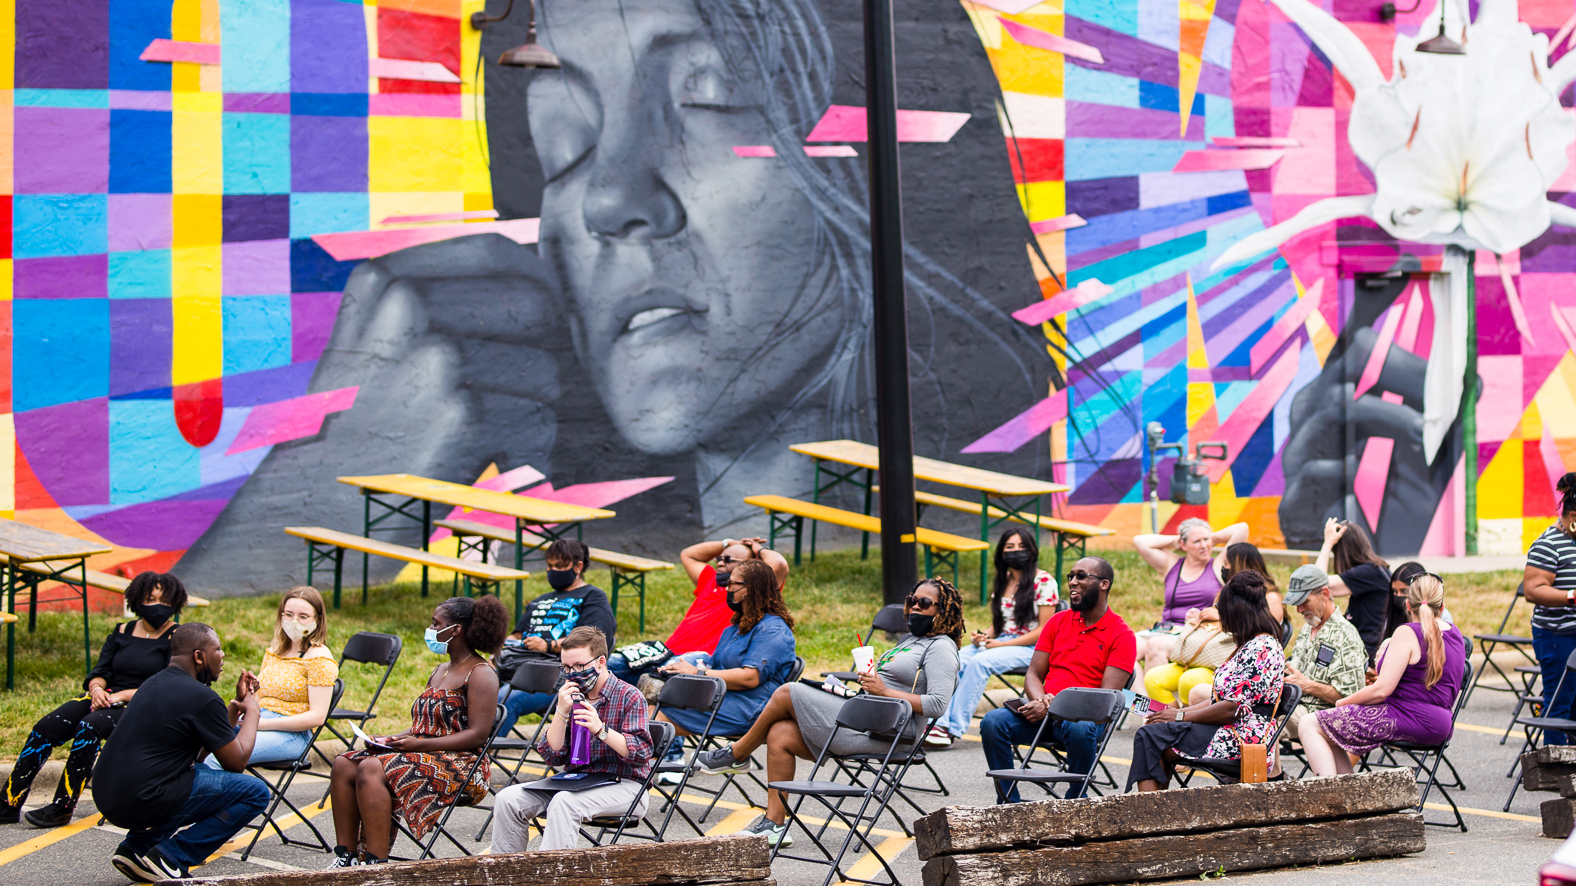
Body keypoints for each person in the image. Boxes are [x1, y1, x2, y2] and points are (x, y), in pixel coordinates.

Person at [691, 578, 963, 846]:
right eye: (912, 600)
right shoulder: (911, 640)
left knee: (788, 692)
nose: (915, 607)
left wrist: (884, 691)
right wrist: (869, 684)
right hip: (866, 719)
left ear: (943, 610)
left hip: (889, 734)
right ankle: (774, 825)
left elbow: (937, 704)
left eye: (924, 603)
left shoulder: (942, 648)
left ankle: (737, 754)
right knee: (780, 733)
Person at [326, 596, 506, 867]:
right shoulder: (441, 670)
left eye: (436, 623)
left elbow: (478, 735)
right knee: (344, 764)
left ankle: (375, 865)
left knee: (372, 769)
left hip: (464, 764)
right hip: (423, 752)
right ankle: (346, 858)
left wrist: (417, 746)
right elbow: (424, 726)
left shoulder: (481, 673)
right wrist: (393, 738)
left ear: (455, 630)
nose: (430, 629)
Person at [1, 572, 185, 829]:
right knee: (46, 727)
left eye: (164, 600)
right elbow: (100, 671)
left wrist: (119, 696)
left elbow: (165, 684)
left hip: (142, 704)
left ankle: (62, 807)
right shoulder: (121, 631)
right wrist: (97, 689)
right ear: (137, 599)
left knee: (90, 726)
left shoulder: (177, 638)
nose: (157, 606)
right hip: (106, 696)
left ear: (175, 602)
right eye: (150, 598)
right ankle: (9, 801)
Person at [92, 622, 271, 882]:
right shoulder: (201, 697)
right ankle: (172, 857)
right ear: (199, 657)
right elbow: (236, 762)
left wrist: (234, 709)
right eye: (218, 649)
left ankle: (135, 849)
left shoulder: (152, 684)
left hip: (109, 797)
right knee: (255, 792)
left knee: (200, 771)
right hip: (143, 800)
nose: (222, 656)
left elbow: (198, 755)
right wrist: (253, 710)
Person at [978, 557, 1135, 802]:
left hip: (1086, 719)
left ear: (1104, 584)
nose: (1072, 582)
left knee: (1080, 727)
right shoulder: (1058, 621)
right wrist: (1041, 701)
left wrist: (1051, 706)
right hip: (1044, 714)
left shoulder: (1121, 635)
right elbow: (1033, 674)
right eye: (1070, 577)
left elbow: (1105, 700)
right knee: (993, 722)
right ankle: (1008, 803)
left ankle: (1075, 801)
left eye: (1081, 576)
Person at [490, 626, 655, 852]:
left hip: (625, 785)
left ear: (600, 662)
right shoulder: (570, 694)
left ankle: (556, 876)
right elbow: (552, 755)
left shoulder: (629, 696)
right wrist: (561, 712)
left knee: (564, 802)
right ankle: (506, 875)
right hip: (576, 781)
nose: (573, 673)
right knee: (507, 798)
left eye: (579, 666)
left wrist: (600, 729)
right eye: (566, 667)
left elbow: (640, 754)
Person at [1127, 571, 1286, 792]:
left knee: (1151, 738)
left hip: (1243, 739)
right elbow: (1217, 700)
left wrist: (1180, 715)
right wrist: (1174, 718)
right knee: (1154, 733)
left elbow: (1233, 708)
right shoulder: (1249, 645)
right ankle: (1155, 813)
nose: (1221, 617)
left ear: (1238, 611)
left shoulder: (1263, 647)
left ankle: (1150, 814)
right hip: (1228, 729)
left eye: (1223, 611)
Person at [1299, 574, 1465, 775]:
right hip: (1441, 725)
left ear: (1408, 606)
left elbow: (1381, 690)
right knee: (1330, 729)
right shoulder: (1455, 634)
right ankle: (1344, 793)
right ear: (1442, 606)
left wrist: (1342, 703)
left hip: (1405, 716)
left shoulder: (1408, 632)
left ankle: (1328, 795)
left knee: (1309, 723)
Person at [929, 529, 1059, 747]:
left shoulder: (1044, 581)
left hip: (1033, 648)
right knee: (954, 658)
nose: (1016, 551)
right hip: (1003, 641)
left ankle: (952, 729)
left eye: (1021, 547)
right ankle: (936, 722)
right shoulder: (1004, 580)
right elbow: (999, 624)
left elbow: (1045, 630)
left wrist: (1001, 644)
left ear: (1031, 551)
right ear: (1001, 553)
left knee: (980, 662)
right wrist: (984, 636)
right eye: (1010, 547)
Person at [607, 538, 787, 685]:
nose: (720, 562)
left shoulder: (752, 592)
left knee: (654, 685)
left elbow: (779, 564)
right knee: (600, 667)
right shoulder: (711, 582)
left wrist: (758, 549)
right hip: (663, 652)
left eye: (729, 559)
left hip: (698, 659)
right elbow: (689, 554)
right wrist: (728, 544)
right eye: (719, 558)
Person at [653, 559, 797, 739]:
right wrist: (682, 669)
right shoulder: (735, 628)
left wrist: (697, 672)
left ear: (750, 589)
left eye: (731, 584)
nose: (727, 589)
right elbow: (716, 665)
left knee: (651, 719)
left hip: (749, 708)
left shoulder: (772, 631)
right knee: (648, 708)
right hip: (721, 697)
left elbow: (749, 678)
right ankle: (647, 763)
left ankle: (651, 762)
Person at [203, 586, 337, 769]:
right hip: (258, 720)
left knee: (217, 759)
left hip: (292, 735)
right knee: (198, 747)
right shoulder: (275, 650)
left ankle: (230, 795)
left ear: (318, 620)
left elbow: (317, 717)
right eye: (288, 614)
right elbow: (259, 699)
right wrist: (246, 698)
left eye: (303, 616)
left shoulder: (319, 657)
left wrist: (261, 724)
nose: (294, 621)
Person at [495, 540, 617, 736]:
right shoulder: (542, 600)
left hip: (560, 678)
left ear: (578, 566)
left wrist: (549, 645)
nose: (553, 571)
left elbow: (595, 643)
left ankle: (478, 756)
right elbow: (517, 634)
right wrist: (501, 650)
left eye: (559, 566)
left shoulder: (593, 597)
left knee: (505, 698)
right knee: (471, 688)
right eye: (550, 566)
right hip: (517, 668)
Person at [1131, 519, 1248, 675]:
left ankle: (1154, 699)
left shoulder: (1218, 565)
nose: (1204, 545)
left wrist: (1210, 537)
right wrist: (1178, 539)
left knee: (1155, 645)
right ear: (1184, 545)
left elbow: (1242, 528)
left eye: (1206, 540)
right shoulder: (1172, 564)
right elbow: (1139, 541)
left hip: (1197, 632)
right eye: (1196, 541)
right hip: (1166, 629)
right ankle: (1136, 695)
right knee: (1125, 649)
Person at [1279, 565, 1368, 742]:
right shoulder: (1308, 627)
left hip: (1321, 715)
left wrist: (1308, 685)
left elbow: (1351, 699)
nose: (1299, 610)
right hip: (1294, 703)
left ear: (1325, 594)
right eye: (1296, 604)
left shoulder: (1345, 635)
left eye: (1304, 602)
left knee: (1262, 721)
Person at [1524, 475, 1576, 744]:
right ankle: (1554, 767)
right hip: (1557, 636)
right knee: (1560, 699)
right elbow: (1533, 589)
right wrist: (1571, 596)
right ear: (1573, 516)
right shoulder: (1548, 543)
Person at [1316, 517, 1391, 661]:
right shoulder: (1374, 571)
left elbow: (1316, 584)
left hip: (1364, 654)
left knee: (1318, 662)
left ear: (1342, 552)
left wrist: (1327, 544)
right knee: (1316, 655)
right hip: (1356, 647)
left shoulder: (1369, 572)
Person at [1386, 561, 1454, 637]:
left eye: (1404, 591)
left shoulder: (1443, 616)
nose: (1398, 595)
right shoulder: (1392, 614)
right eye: (1395, 591)